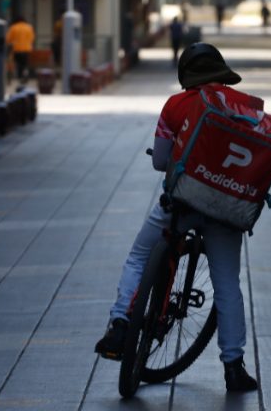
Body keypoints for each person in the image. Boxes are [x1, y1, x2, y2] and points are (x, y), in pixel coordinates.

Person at [94, 42, 259, 393]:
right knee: (227, 284)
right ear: (222, 72)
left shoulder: (176, 104)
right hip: (226, 210)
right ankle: (234, 367)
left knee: (140, 255)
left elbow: (160, 161)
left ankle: (121, 323)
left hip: (182, 204)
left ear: (186, 74)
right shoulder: (246, 105)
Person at [5, 16, 35, 82]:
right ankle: (25, 74)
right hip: (27, 49)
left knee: (18, 63)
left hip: (16, 49)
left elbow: (8, 39)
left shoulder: (13, 27)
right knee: (24, 63)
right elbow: (32, 38)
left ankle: (19, 76)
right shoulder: (29, 27)